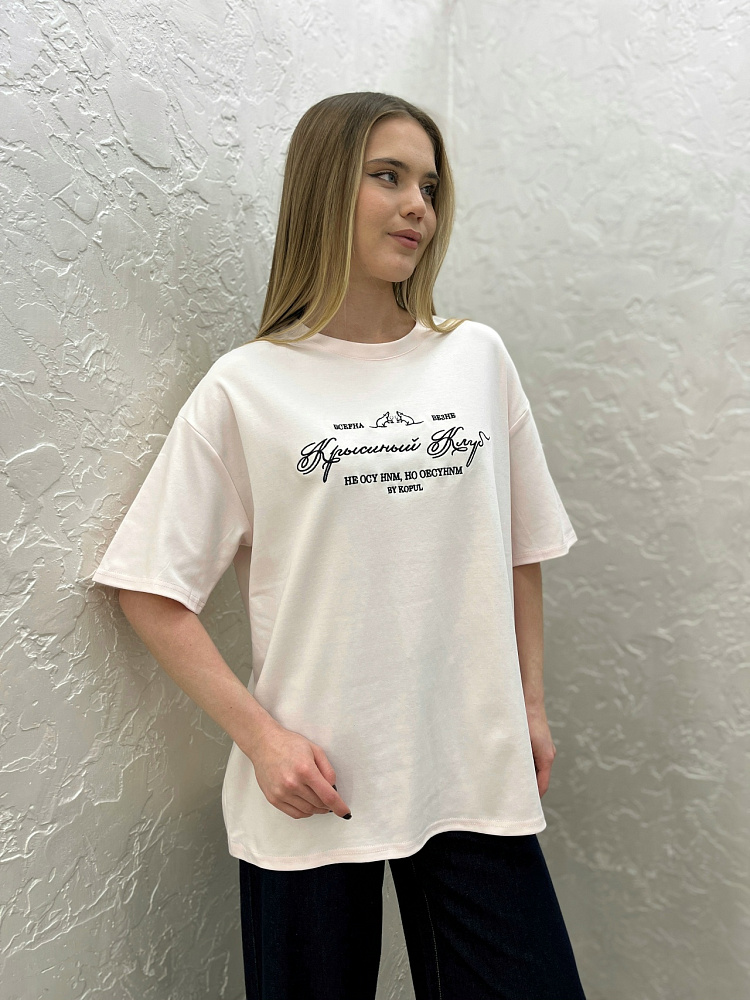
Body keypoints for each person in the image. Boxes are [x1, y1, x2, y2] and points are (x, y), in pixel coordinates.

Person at [90, 92, 587, 999]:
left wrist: (532, 705)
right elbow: (148, 588)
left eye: (429, 186)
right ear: (324, 188)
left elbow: (522, 546)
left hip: (471, 768)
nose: (417, 207)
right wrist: (263, 743)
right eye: (387, 177)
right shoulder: (247, 386)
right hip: (313, 784)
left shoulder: (476, 359)